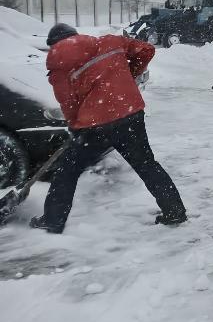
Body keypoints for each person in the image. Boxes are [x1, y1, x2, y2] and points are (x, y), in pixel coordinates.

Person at [30, 24, 186, 234]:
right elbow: (146, 49)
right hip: (130, 113)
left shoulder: (58, 63)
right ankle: (175, 211)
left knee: (67, 171)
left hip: (95, 125)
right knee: (146, 164)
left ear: (53, 45)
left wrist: (75, 125)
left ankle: (53, 220)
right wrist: (130, 75)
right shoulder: (109, 42)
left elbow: (68, 102)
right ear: (77, 35)